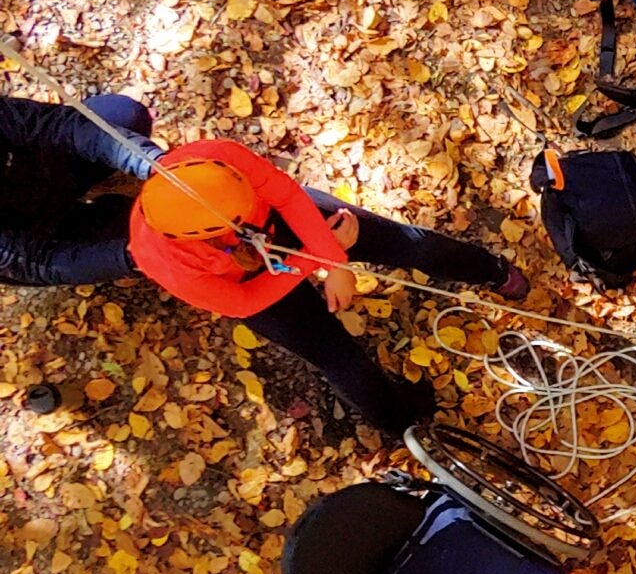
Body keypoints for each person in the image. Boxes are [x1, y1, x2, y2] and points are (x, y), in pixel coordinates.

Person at [126, 137, 528, 437]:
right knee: (337, 356)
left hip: (286, 224)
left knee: (400, 241)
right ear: (216, 230)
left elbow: (284, 195)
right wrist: (321, 260)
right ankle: (403, 424)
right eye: (242, 205)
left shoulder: (209, 162)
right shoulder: (164, 261)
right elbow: (246, 302)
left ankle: (492, 271)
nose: (251, 195)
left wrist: (333, 259)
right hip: (253, 283)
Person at [0, 92, 161, 286]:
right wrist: (129, 257)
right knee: (157, 240)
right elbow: (39, 262)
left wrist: (150, 161)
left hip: (55, 166)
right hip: (43, 234)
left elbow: (53, 124)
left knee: (124, 114)